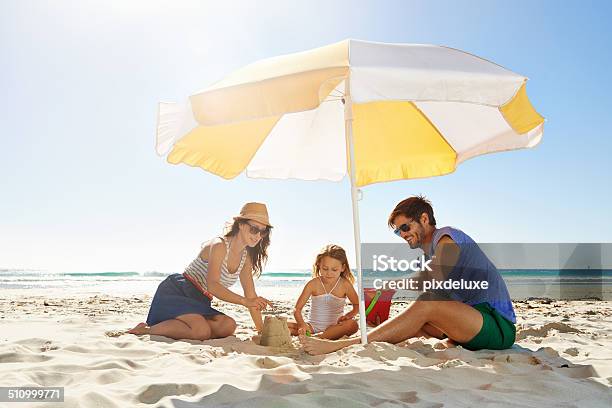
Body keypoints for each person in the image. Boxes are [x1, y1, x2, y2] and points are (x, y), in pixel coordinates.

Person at [301, 195, 517, 355]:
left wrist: (392, 284)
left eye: (405, 227)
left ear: (424, 219)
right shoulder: (426, 257)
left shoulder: (447, 237)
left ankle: (343, 345)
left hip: (497, 325)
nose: (402, 234)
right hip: (469, 324)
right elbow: (441, 305)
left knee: (427, 303)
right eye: (398, 231)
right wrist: (385, 325)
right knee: (415, 319)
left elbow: (435, 277)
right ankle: (369, 336)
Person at [129, 202, 273, 341]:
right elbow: (213, 285)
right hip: (178, 290)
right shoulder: (219, 245)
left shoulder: (245, 258)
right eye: (254, 229)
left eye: (263, 231)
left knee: (228, 326)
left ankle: (184, 326)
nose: (258, 236)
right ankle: (145, 330)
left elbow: (251, 296)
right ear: (241, 224)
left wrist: (261, 330)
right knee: (201, 331)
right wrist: (243, 301)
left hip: (201, 299)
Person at [287, 244, 359, 340]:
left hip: (335, 327)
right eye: (325, 269)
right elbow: (297, 309)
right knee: (281, 324)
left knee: (353, 325)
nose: (329, 273)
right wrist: (302, 324)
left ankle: (319, 337)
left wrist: (348, 315)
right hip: (311, 327)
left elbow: (357, 304)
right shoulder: (313, 284)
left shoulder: (345, 285)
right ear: (318, 265)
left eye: (334, 270)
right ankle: (314, 336)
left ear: (343, 268)